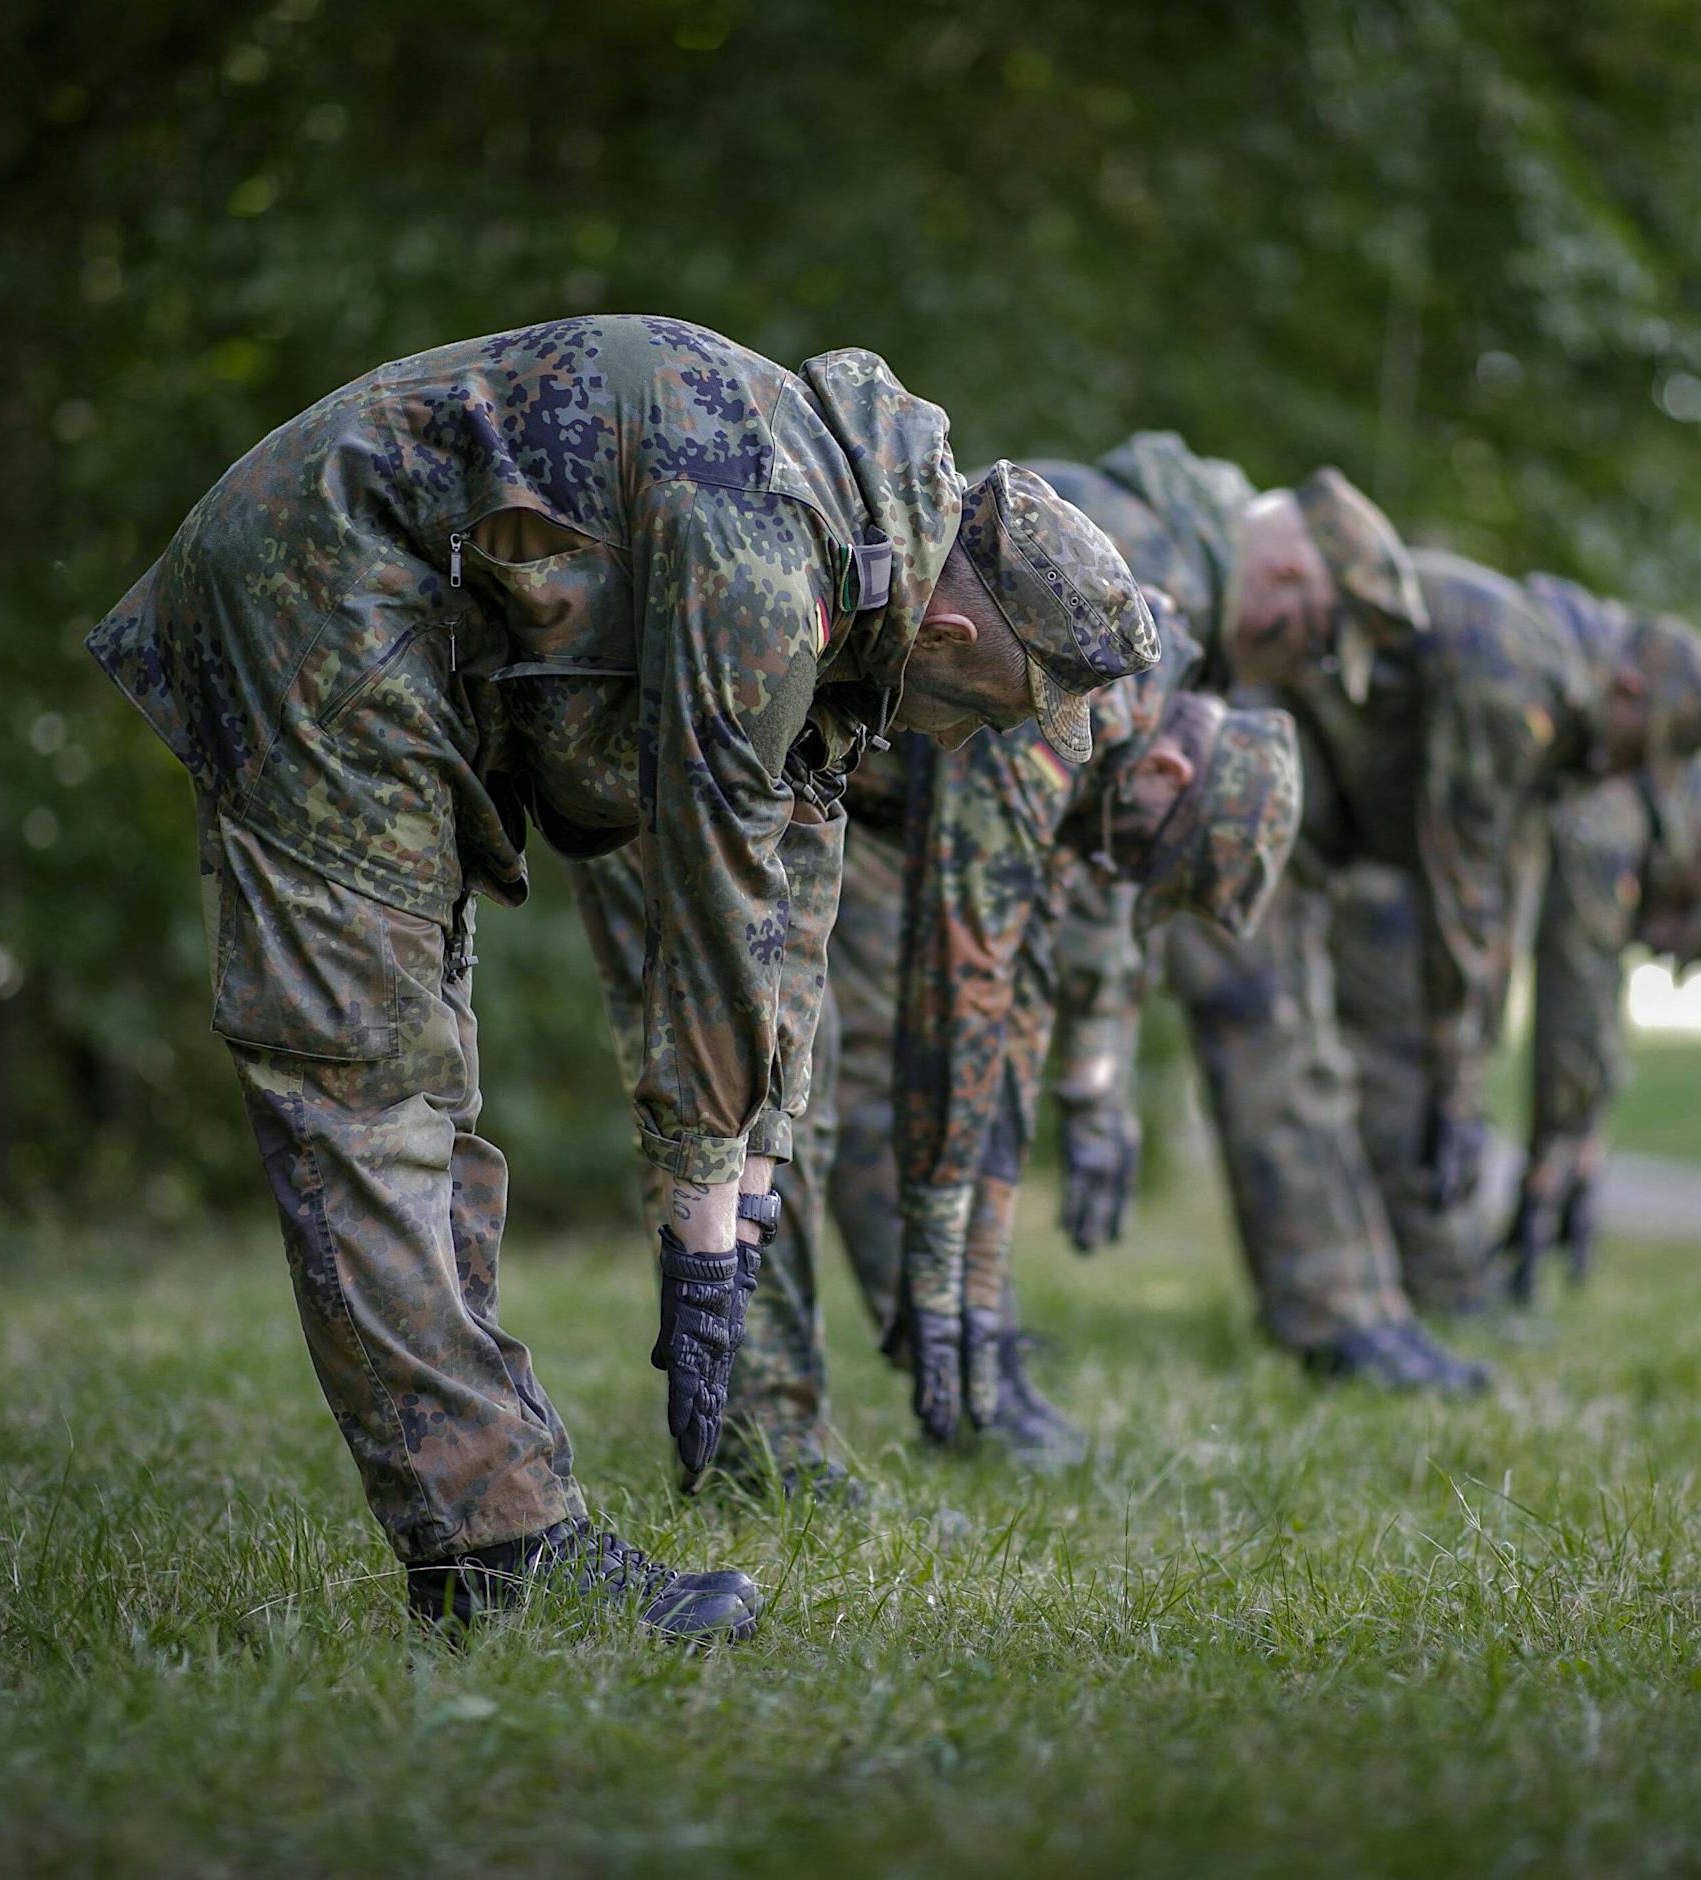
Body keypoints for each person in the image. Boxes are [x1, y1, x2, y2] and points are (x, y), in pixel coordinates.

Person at [85, 314, 1156, 1638]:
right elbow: (706, 906)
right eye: (996, 707)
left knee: (412, 1073)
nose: (979, 742)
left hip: (402, 633)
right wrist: (700, 1241)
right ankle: (501, 1555)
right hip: (320, 599)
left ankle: (488, 1520)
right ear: (946, 633)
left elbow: (787, 896)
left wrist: (744, 1187)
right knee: (366, 1082)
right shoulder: (776, 559)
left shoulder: (859, 565)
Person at [1034, 436, 1701, 1387]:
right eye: (1634, 750)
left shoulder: (1547, 695)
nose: (1618, 777)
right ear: (1627, 690)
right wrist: (1459, 1083)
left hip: (1292, 826)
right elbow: (1466, 884)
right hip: (1230, 804)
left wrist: (1520, 1108)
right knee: (1275, 1033)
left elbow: (1516, 915)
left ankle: (1369, 1308)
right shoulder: (1518, 668)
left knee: (1315, 1049)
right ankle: (1338, 1323)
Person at [571, 600, 1299, 1482]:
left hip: (783, 776)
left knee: (819, 1079)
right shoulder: (1066, 715)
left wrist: (975, 1283)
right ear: (1175, 770)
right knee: (754, 1084)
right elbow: (963, 987)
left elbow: (1014, 1004)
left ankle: (878, 1390)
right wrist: (946, 1269)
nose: (1119, 867)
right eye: (1146, 852)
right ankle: (761, 1449)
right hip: (692, 742)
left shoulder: (1119, 729)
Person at [1499, 757, 1701, 1299]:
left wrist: (1583, 1147)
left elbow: (1599, 1012)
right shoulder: (1609, 834)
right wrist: (1550, 1170)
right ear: (1694, 873)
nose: (1664, 941)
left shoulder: (1638, 826)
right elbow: (1575, 1011)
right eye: (1681, 924)